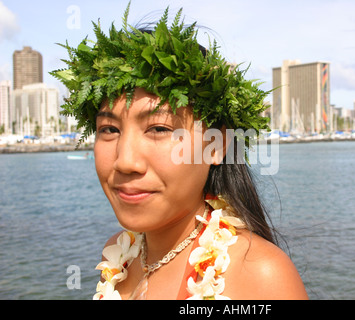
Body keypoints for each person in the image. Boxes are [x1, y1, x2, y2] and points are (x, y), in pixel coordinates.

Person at [52, 3, 308, 300]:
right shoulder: (120, 256)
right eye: (109, 129)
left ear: (216, 145)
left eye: (159, 129)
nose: (126, 161)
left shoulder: (259, 276)